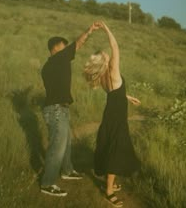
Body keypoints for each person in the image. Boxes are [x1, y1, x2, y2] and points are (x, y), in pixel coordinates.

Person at [84, 21, 140, 207]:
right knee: (116, 150)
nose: (107, 53)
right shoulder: (113, 70)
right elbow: (115, 46)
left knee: (111, 146)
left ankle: (110, 182)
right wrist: (106, 28)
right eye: (104, 54)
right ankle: (108, 191)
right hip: (117, 118)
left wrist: (127, 96)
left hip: (110, 115)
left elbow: (114, 92)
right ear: (105, 61)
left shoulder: (102, 76)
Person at [41, 22, 99, 197]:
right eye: (64, 47)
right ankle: (47, 183)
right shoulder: (57, 59)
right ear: (56, 48)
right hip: (56, 110)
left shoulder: (51, 65)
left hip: (60, 108)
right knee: (57, 147)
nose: (67, 50)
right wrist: (89, 31)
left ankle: (67, 171)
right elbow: (78, 43)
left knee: (65, 143)